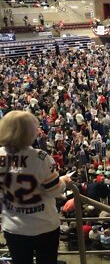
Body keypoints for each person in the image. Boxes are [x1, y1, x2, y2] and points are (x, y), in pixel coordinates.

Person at [0, 111, 72, 264]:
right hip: (44, 225)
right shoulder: (41, 157)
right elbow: (54, 190)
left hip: (13, 226)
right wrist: (64, 180)